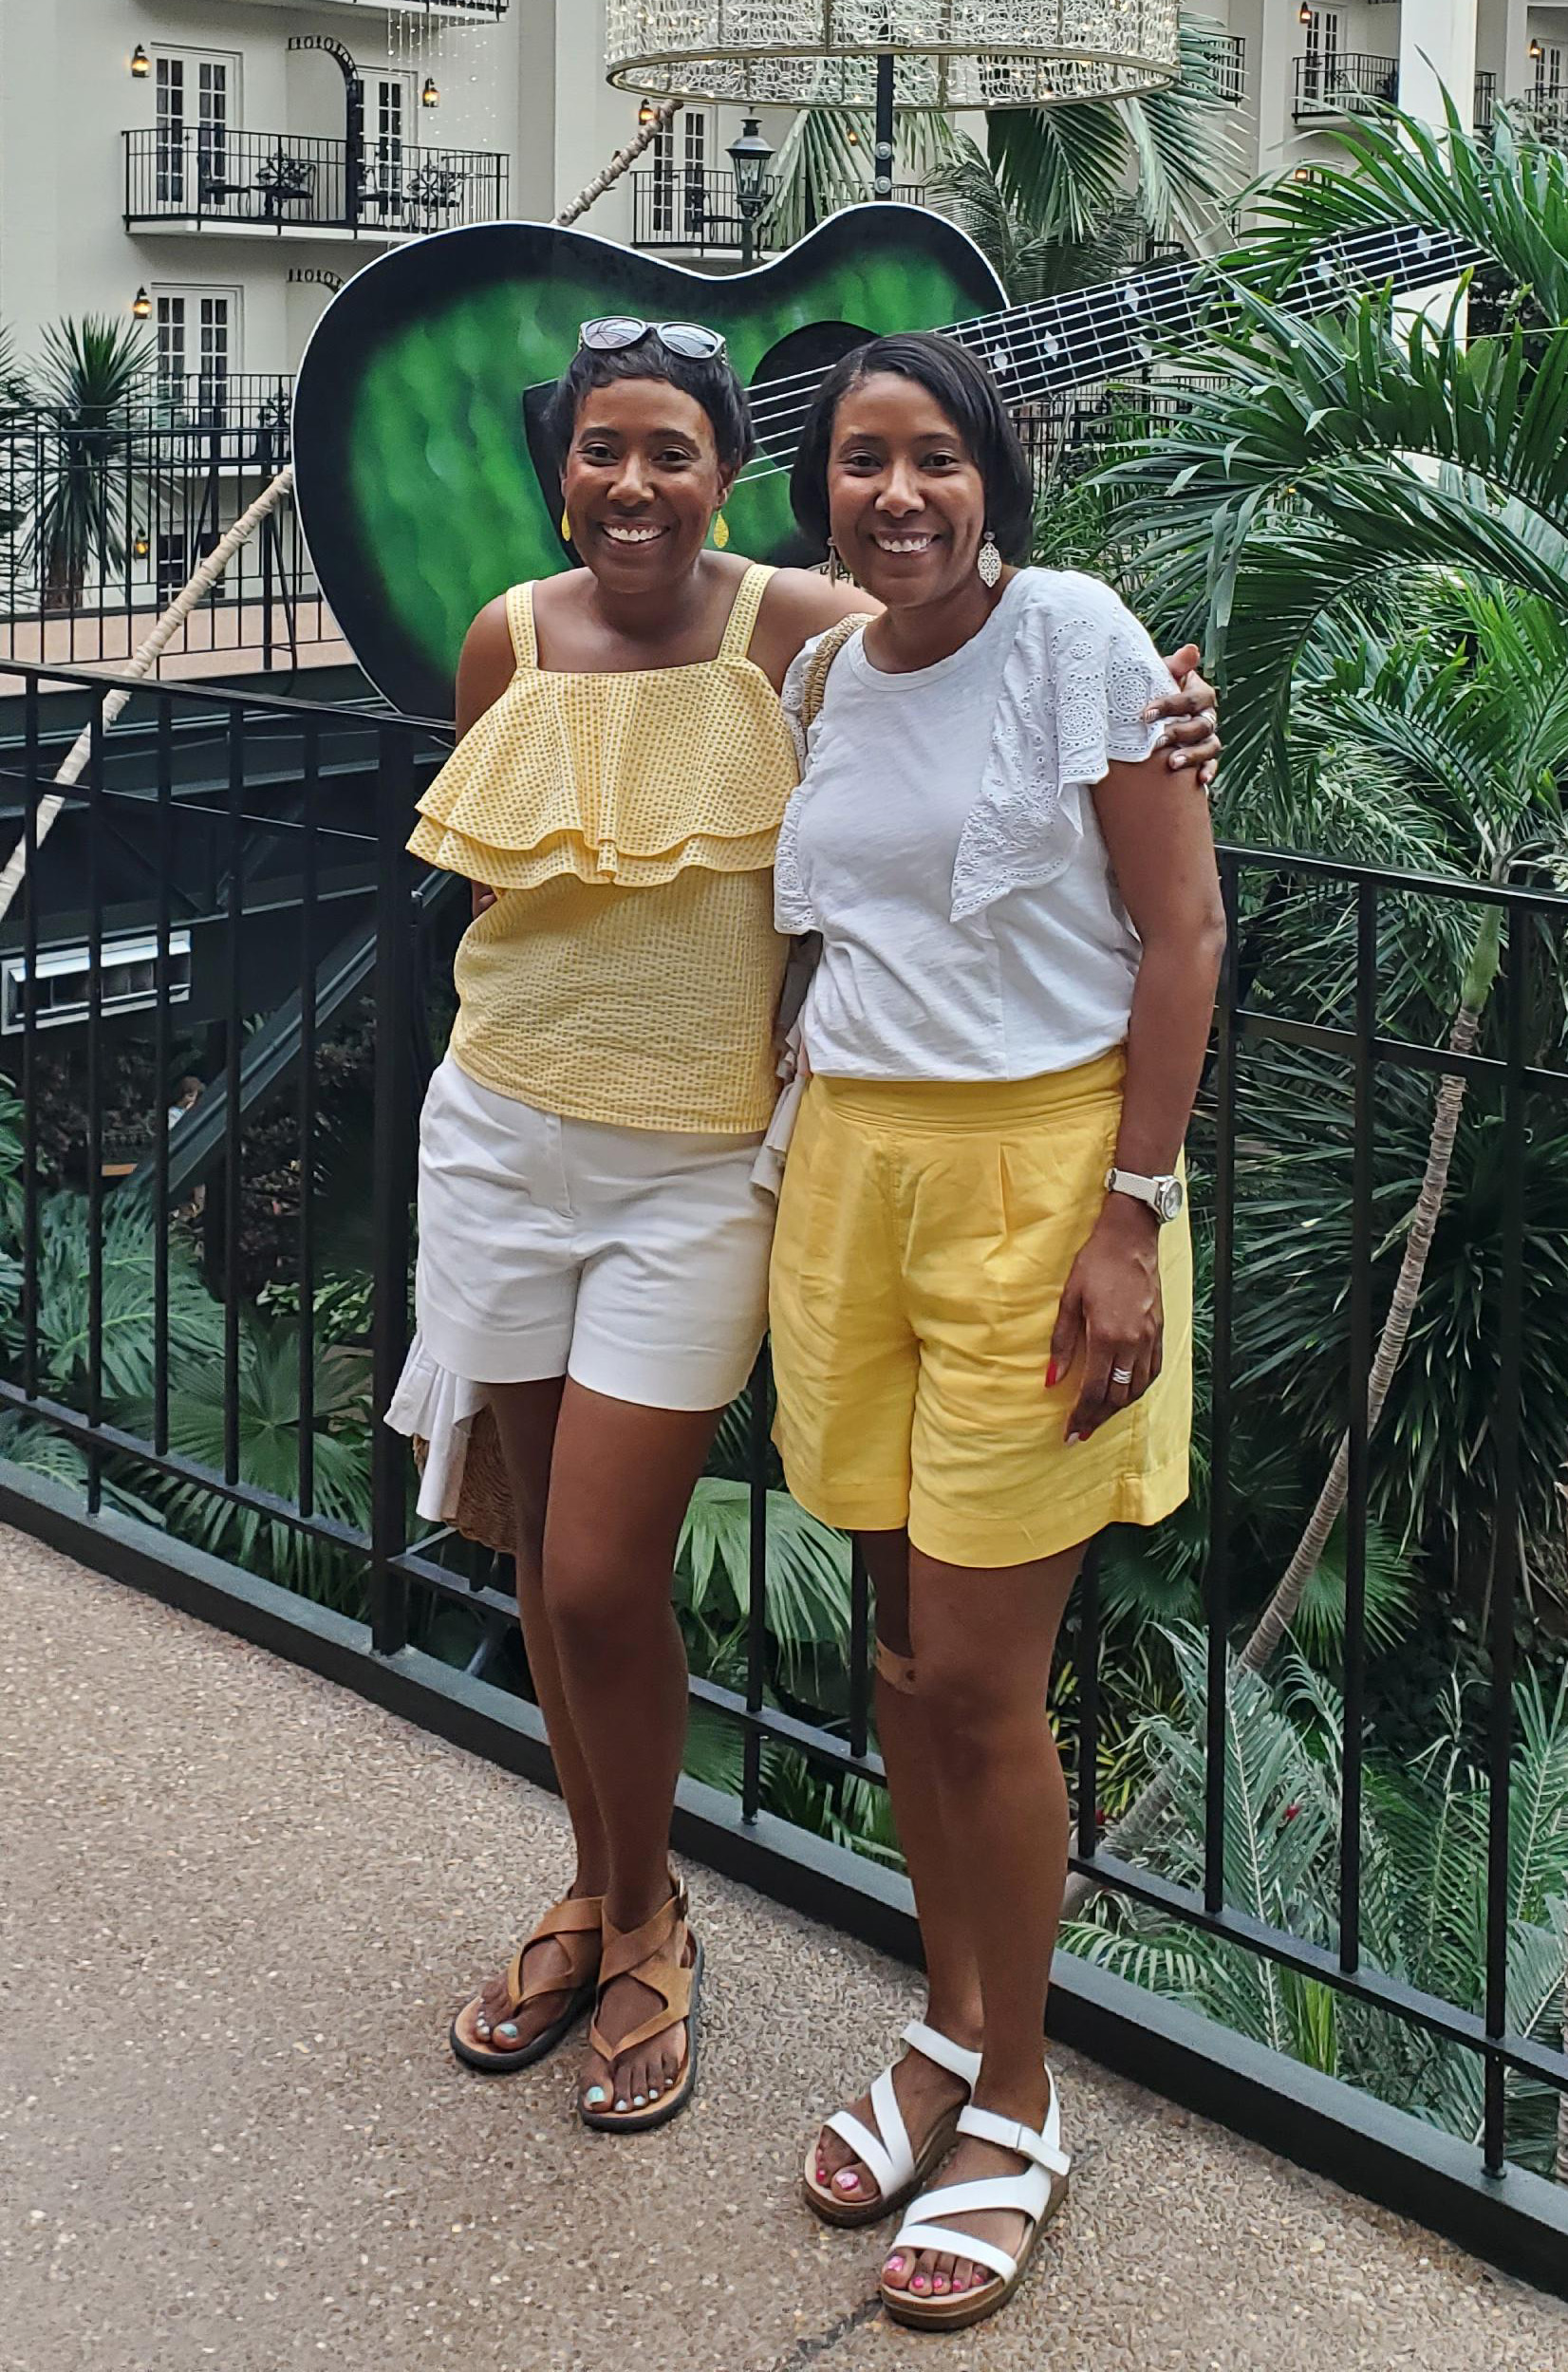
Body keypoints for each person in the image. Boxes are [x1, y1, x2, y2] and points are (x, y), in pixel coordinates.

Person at [387, 315, 1223, 2135]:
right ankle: (620, 1904)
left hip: (757, 1169)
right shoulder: (565, 649)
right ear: (562, 468)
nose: (633, 483)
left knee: (637, 1580)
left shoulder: (833, 631)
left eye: (673, 449)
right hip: (613, 1142)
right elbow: (504, 864)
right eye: (601, 448)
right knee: (574, 1567)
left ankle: (871, 2022)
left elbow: (1091, 782)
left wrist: (1173, 715)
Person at [775, 332, 1224, 2327]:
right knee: (893, 1642)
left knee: (979, 1675)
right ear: (826, 488)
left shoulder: (1079, 634)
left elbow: (1186, 931)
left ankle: (1023, 2098)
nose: (899, 496)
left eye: (933, 459)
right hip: (850, 1172)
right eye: (864, 462)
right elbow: (648, 567)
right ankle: (952, 2015)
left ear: (993, 473)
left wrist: (1132, 1216)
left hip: (1044, 1188)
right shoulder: (818, 663)